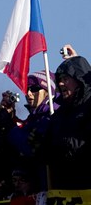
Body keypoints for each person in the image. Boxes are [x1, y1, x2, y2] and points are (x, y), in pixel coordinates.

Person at [39, 56, 91, 189]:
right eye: (59, 80)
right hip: (66, 192)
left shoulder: (89, 107)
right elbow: (47, 156)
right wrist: (40, 145)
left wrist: (65, 143)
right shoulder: (58, 115)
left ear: (78, 80)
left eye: (66, 78)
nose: (61, 83)